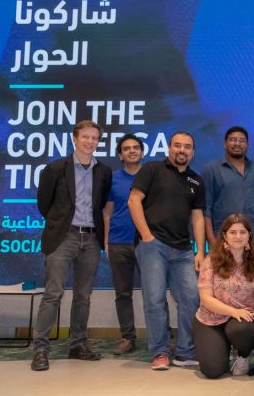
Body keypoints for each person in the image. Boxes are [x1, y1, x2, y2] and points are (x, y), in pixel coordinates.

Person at [31, 120, 112, 371]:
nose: (90, 142)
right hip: (63, 237)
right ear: (75, 139)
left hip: (91, 239)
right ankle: (40, 349)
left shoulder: (104, 171)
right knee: (53, 294)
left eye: (94, 138)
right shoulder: (55, 168)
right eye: (85, 137)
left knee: (83, 296)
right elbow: (44, 204)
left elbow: (101, 205)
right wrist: (61, 224)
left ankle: (78, 345)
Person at [128, 131, 206, 371]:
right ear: (169, 148)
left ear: (192, 152)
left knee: (191, 297)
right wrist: (147, 236)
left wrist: (200, 251)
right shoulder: (152, 169)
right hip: (154, 246)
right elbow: (134, 200)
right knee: (154, 300)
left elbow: (198, 218)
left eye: (187, 146)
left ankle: (185, 352)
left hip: (183, 250)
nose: (182, 150)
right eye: (177, 145)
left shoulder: (196, 181)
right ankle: (160, 352)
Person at [193, 214, 254, 379]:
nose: (238, 236)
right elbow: (206, 299)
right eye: (233, 232)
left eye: (242, 232)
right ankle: (222, 347)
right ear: (225, 235)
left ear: (249, 235)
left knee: (242, 329)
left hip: (242, 319)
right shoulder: (211, 260)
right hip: (211, 318)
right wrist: (234, 312)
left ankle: (243, 356)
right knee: (213, 371)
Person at [203, 126, 254, 261]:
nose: (237, 143)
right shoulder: (211, 170)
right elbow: (206, 209)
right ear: (224, 144)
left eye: (242, 140)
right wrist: (211, 240)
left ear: (247, 145)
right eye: (233, 140)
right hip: (224, 243)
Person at [102, 134, 144, 355]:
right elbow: (107, 213)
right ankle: (128, 337)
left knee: (154, 292)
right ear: (120, 155)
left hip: (146, 244)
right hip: (118, 242)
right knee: (123, 293)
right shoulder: (113, 178)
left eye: (136, 147)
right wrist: (106, 241)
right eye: (126, 148)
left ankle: (163, 336)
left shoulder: (151, 176)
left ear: (142, 152)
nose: (132, 151)